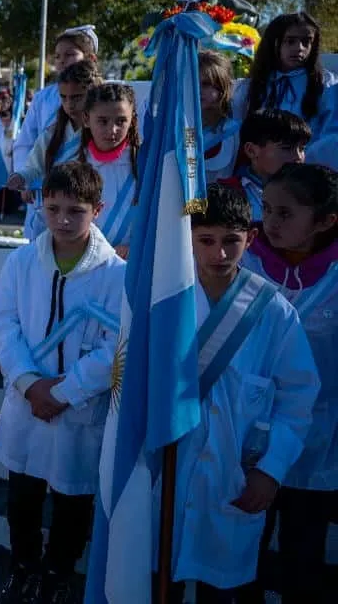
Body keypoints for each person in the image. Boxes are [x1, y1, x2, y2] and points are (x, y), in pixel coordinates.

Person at [160, 184, 318, 603]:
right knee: (159, 577)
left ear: (250, 237)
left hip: (235, 476)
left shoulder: (273, 311)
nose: (219, 254)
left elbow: (299, 398)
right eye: (206, 240)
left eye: (231, 241)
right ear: (188, 238)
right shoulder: (166, 302)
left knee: (223, 585)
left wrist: (271, 470)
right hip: (166, 470)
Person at [0, 162, 125, 604]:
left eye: (75, 211)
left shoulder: (115, 274)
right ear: (40, 206)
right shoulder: (23, 261)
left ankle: (58, 573)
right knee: (22, 497)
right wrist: (30, 383)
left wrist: (63, 392)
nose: (63, 220)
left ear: (98, 210)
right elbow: (3, 324)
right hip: (27, 403)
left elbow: (116, 346)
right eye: (53, 209)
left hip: (77, 409)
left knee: (73, 501)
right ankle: (23, 566)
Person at [240, 164, 338, 603]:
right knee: (245, 548)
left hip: (317, 438)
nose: (271, 222)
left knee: (303, 549)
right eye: (267, 209)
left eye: (286, 214)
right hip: (247, 435)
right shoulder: (245, 257)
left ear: (325, 221)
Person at [7, 61, 102, 240]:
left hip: (84, 210)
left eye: (76, 97)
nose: (69, 104)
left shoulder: (100, 133)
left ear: (92, 94)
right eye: (64, 97)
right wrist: (21, 177)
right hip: (53, 208)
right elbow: (34, 166)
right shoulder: (53, 132)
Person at [233, 12, 338, 167]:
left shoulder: (326, 85)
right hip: (255, 174)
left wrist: (298, 161)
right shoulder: (251, 87)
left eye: (306, 42)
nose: (299, 48)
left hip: (305, 174)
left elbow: (331, 136)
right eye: (290, 41)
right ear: (274, 42)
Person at [12, 26, 98, 171]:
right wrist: (23, 175)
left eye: (69, 55)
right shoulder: (42, 98)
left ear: (90, 58)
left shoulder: (101, 94)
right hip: (46, 183)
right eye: (57, 56)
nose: (61, 61)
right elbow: (25, 142)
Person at [74, 83, 140, 256]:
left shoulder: (144, 162)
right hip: (87, 258)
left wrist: (135, 248)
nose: (112, 130)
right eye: (103, 121)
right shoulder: (74, 163)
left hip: (133, 259)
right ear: (87, 119)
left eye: (121, 121)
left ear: (132, 119)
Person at [219, 109, 310, 223]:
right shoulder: (226, 194)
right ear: (251, 150)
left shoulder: (311, 195)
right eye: (286, 148)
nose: (298, 157)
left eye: (302, 149)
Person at [200, 50, 241, 183]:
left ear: (222, 87)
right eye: (192, 83)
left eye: (206, 84)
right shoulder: (174, 127)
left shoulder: (231, 131)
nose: (197, 90)